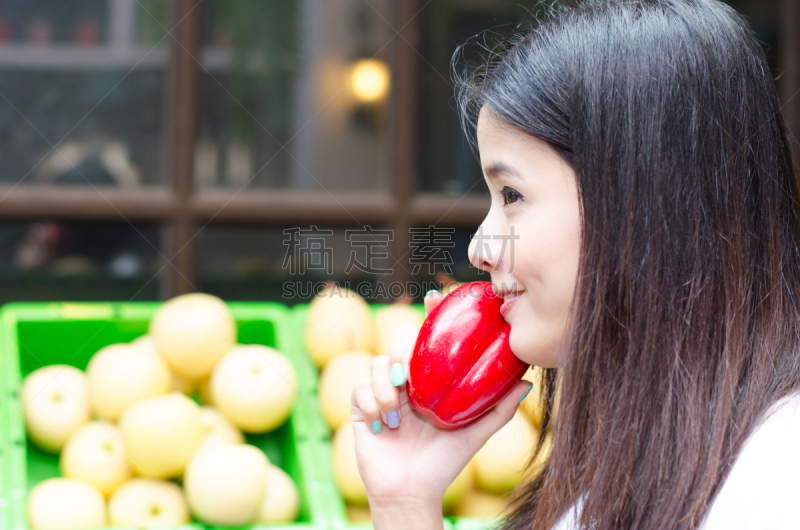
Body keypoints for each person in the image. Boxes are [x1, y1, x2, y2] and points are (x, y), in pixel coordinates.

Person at [350, 0, 800, 528]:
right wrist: (405, 500)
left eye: (512, 194)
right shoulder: (642, 451)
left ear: (643, 203)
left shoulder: (771, 478)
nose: (480, 248)